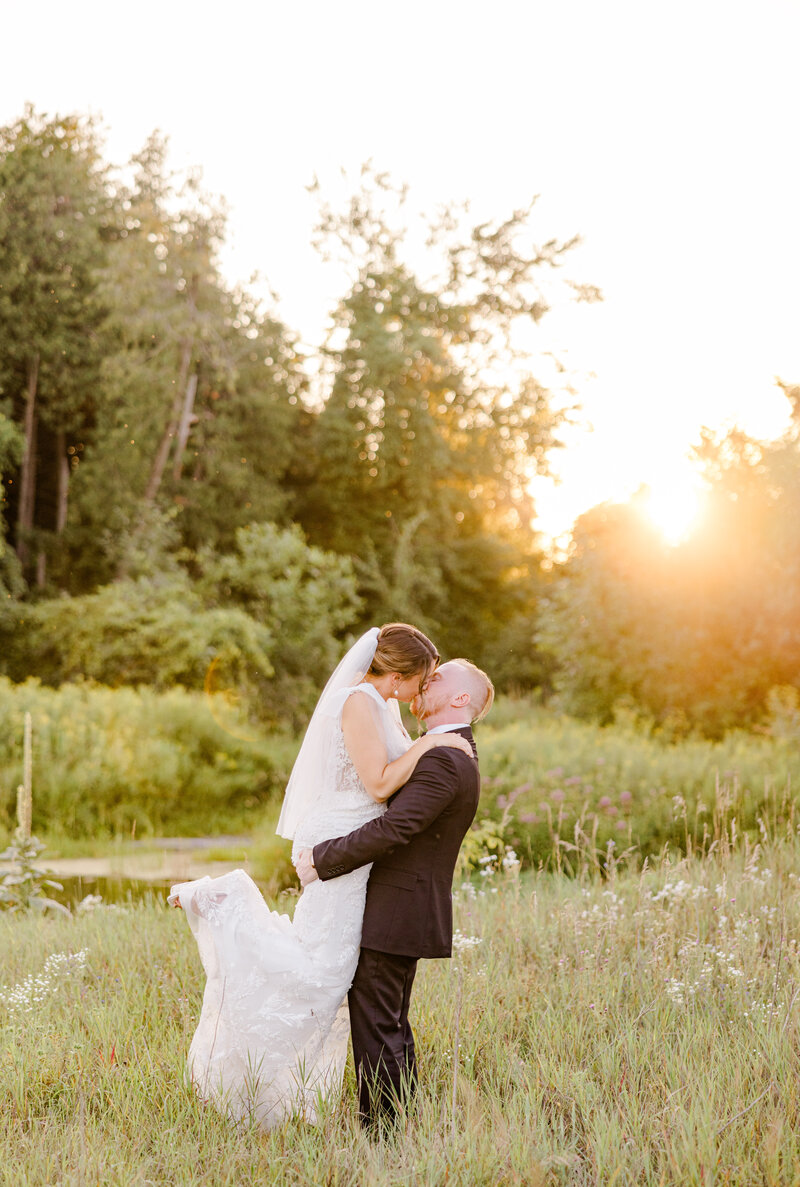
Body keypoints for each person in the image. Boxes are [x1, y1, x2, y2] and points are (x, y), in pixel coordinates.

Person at [169, 623, 472, 1129]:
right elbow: (377, 786)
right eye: (423, 678)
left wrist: (430, 744)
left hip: (360, 850)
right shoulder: (358, 701)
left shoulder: (385, 704)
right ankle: (222, 896)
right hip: (345, 839)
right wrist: (428, 747)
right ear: (398, 674)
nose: (425, 687)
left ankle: (385, 1119)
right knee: (319, 969)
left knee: (335, 976)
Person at [296, 656, 494, 1130]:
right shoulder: (440, 749)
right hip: (400, 905)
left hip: (398, 907)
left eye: (439, 678)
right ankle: (400, 1125)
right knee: (388, 1023)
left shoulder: (445, 757)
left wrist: (322, 860)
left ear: (460, 698)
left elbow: (397, 827)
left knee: (379, 1025)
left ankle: (384, 1135)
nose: (427, 681)